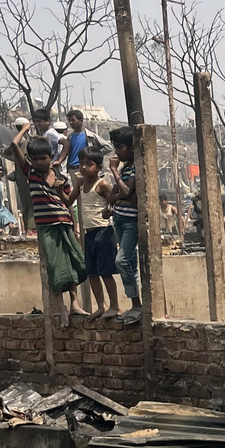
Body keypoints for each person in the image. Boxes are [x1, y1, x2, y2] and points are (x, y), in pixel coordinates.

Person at [25, 136, 87, 327]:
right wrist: (26, 129)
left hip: (64, 223)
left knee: (72, 261)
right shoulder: (31, 174)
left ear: (50, 157)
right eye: (34, 159)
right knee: (55, 266)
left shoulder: (61, 177)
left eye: (42, 158)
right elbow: (13, 147)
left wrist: (75, 225)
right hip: (47, 226)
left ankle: (74, 303)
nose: (38, 162)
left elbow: (68, 202)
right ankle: (62, 308)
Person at [74, 149, 120, 318]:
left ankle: (114, 306)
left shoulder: (102, 185)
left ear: (99, 167)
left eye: (88, 164)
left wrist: (109, 212)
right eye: (81, 163)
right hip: (89, 233)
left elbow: (115, 203)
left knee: (105, 271)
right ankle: (101, 306)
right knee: (92, 272)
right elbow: (68, 200)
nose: (84, 167)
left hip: (103, 231)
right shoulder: (80, 184)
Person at [106, 127, 142, 323]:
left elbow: (127, 191)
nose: (117, 152)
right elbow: (113, 196)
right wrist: (122, 194)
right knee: (130, 263)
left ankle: (136, 303)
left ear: (131, 147)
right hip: (119, 218)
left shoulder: (134, 167)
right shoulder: (125, 169)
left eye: (119, 147)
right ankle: (136, 305)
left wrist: (113, 171)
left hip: (129, 222)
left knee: (122, 261)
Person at [63, 109, 103, 173]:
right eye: (69, 120)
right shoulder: (70, 137)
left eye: (73, 120)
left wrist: (94, 155)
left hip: (84, 168)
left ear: (81, 120)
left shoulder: (90, 135)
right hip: (72, 168)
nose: (71, 123)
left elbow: (108, 147)